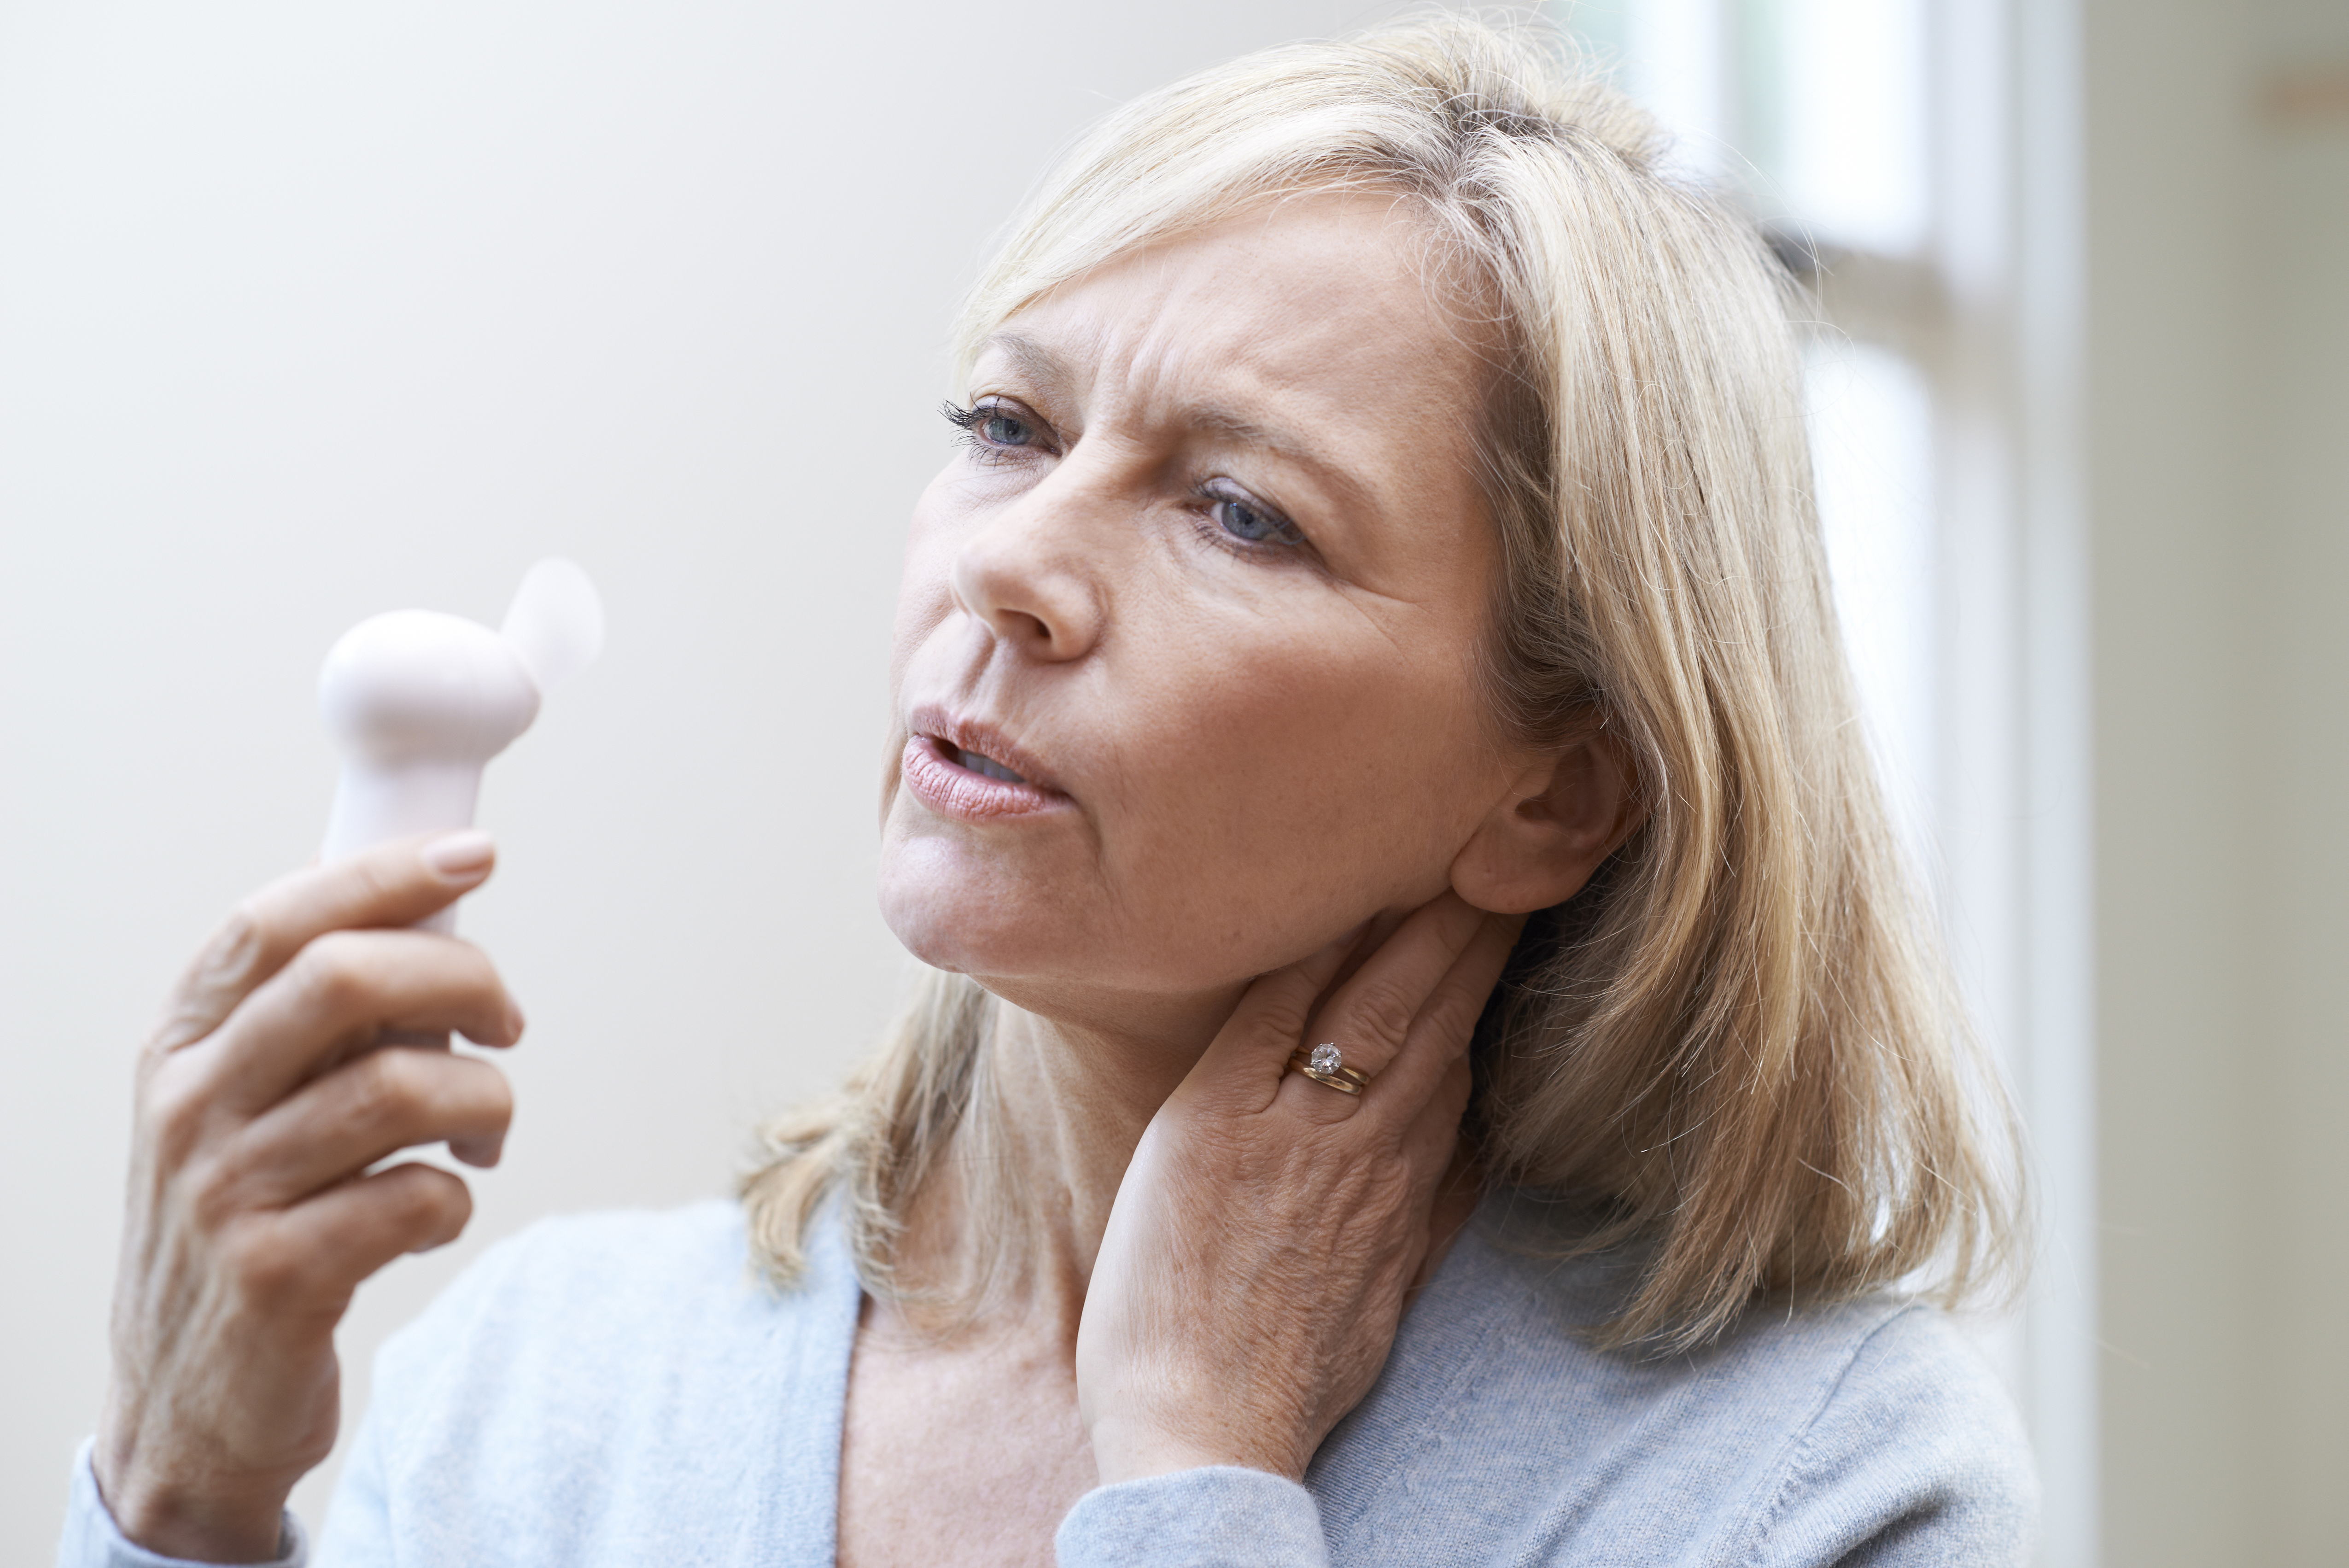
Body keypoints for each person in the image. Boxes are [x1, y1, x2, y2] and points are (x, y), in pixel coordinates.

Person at [61, 16, 2035, 1567]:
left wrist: (1197, 1473)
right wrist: (181, 1485)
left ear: (1559, 796)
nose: (1009, 562)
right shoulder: (539, 1394)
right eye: (1008, 423)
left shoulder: (1800, 1481)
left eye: (1239, 511)